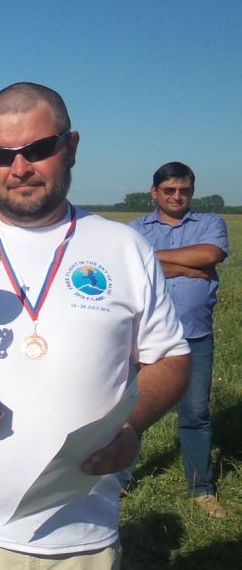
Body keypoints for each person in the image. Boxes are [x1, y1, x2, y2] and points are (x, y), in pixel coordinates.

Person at [0, 82, 191, 569]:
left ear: (71, 147)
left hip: (81, 537)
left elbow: (171, 357)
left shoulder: (124, 248)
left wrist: (132, 424)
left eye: (38, 148)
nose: (20, 167)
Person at [128, 161, 228, 518]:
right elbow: (132, 269)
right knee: (130, 411)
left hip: (194, 336)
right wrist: (187, 266)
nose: (176, 196)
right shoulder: (135, 229)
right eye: (169, 190)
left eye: (183, 190)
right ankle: (118, 480)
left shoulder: (211, 223)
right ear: (154, 192)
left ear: (191, 191)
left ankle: (202, 489)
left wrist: (154, 260)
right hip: (145, 339)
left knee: (196, 414)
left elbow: (210, 255)